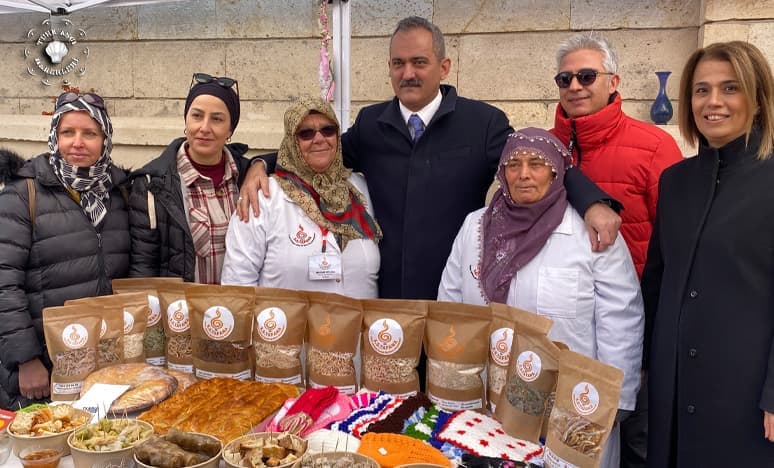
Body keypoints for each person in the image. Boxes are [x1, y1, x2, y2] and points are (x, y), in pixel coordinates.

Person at [237, 16, 622, 301]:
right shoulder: (373, 123)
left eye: (419, 62)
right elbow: (318, 151)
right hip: (385, 301)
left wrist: (592, 203)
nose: (408, 73)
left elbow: (539, 163)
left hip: (452, 297)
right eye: (398, 63)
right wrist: (261, 163)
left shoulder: (483, 123)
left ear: (443, 67)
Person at [438, 128, 643, 468]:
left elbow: (621, 317)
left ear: (556, 170)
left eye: (537, 163)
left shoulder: (589, 232)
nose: (524, 174)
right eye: (513, 164)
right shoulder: (475, 227)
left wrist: (615, 398)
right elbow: (452, 305)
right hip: (490, 397)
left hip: (572, 403)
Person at [550, 33, 683, 468]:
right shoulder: (542, 150)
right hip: (559, 333)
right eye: (565, 78)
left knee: (635, 441)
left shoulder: (653, 146)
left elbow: (675, 243)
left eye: (587, 75)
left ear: (613, 81)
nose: (575, 86)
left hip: (631, 327)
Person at [642, 41, 774, 467]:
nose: (713, 102)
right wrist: (643, 365)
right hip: (673, 386)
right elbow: (657, 282)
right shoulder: (675, 181)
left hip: (746, 391)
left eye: (730, 88)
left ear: (757, 100)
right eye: (701, 90)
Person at [0, 92, 130, 409]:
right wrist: (25, 359)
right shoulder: (22, 194)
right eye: (67, 132)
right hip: (44, 369)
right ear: (54, 136)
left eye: (90, 133)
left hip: (106, 365)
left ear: (105, 138)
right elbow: (4, 282)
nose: (77, 143)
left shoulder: (120, 193)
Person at [221, 97, 381, 298]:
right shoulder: (263, 196)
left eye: (328, 130)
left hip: (359, 327)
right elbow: (238, 285)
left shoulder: (360, 189)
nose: (319, 138)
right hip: (286, 327)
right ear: (291, 141)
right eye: (306, 133)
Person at [129, 73, 252, 284]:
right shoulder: (153, 184)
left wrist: (260, 165)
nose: (204, 128)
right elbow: (143, 268)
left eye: (217, 119)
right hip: (184, 313)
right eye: (196, 116)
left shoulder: (245, 176)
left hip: (240, 310)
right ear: (186, 120)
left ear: (230, 129)